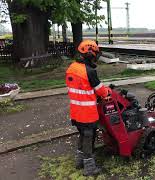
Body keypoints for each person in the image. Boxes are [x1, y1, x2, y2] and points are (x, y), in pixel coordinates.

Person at [65, 40, 111, 176]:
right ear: (90, 53)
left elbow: (82, 88)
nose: (96, 56)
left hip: (75, 111)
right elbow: (101, 91)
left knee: (82, 134)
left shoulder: (71, 68)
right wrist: (107, 91)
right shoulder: (89, 71)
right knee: (89, 138)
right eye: (95, 54)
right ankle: (89, 167)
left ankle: (79, 161)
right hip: (87, 113)